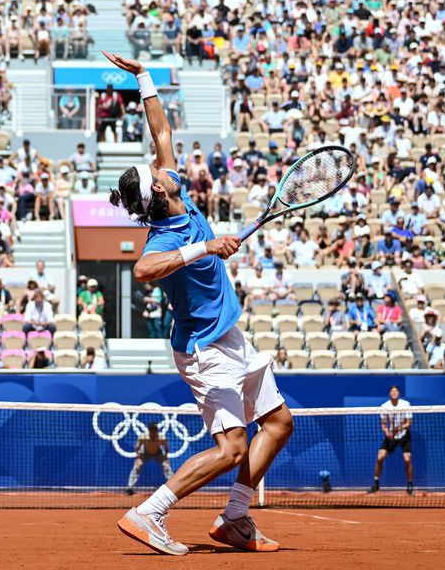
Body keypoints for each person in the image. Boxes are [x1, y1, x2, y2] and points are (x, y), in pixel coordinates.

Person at [104, 51, 292, 555]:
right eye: (157, 173)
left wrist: (143, 77)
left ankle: (234, 518)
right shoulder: (163, 238)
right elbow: (143, 271)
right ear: (159, 193)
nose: (162, 165)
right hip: (204, 349)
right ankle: (149, 512)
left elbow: (160, 132)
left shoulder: (174, 191)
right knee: (231, 448)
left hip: (233, 336)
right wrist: (205, 247)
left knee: (278, 424)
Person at [369, 385, 413, 495]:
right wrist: (387, 432)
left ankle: (410, 486)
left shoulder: (406, 404)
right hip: (390, 437)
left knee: (407, 459)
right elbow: (383, 424)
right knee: (380, 457)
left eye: (396, 391)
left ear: (399, 393)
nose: (394, 393)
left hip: (404, 435)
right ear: (389, 394)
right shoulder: (384, 406)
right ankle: (376, 484)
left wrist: (398, 429)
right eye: (392, 391)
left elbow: (409, 423)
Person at [125, 422, 174, 496]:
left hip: (158, 453)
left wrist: (165, 457)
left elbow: (166, 447)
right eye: (152, 429)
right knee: (137, 466)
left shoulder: (161, 437)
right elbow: (137, 447)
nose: (154, 431)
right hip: (145, 453)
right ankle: (129, 488)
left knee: (166, 466)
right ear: (149, 430)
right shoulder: (143, 436)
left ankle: (173, 487)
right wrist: (138, 457)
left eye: (155, 429)